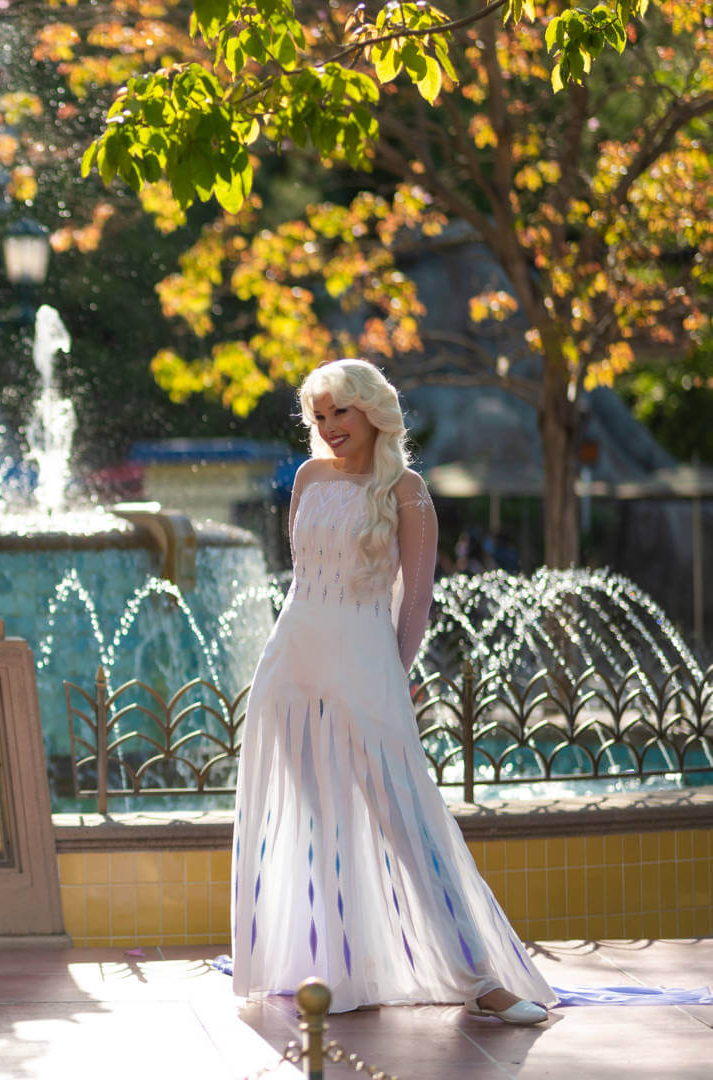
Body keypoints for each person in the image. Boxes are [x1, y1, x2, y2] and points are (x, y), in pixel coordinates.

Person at [230, 358, 553, 1024]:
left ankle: (479, 978)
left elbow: (414, 606)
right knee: (315, 823)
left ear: (369, 410)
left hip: (362, 660)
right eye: (317, 416)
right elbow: (299, 578)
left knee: (407, 824)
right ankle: (334, 968)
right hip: (290, 661)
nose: (326, 428)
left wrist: (391, 672)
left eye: (337, 412)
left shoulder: (406, 491)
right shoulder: (308, 477)